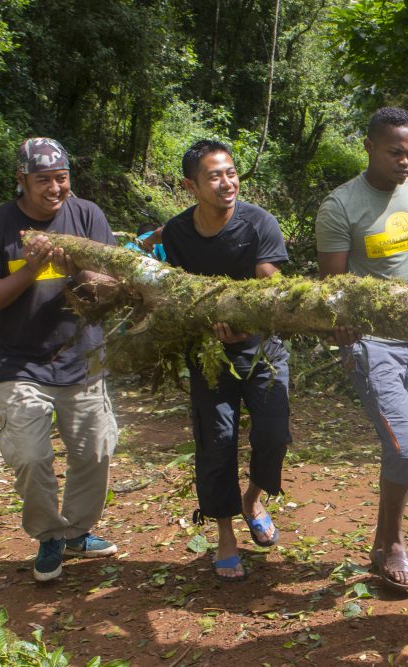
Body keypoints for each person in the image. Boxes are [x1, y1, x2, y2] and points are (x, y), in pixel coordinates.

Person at [315, 107, 408, 592]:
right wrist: (341, 326)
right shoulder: (341, 206)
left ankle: (382, 543)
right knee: (407, 449)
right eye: (396, 151)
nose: (405, 161)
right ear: (370, 147)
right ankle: (393, 544)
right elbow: (332, 284)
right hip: (372, 346)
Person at [0, 138, 120, 582]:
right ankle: (48, 536)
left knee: (95, 450)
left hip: (83, 358)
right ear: (21, 180)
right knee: (28, 455)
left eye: (61, 178)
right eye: (42, 180)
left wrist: (78, 268)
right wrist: (30, 268)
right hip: (20, 362)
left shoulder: (87, 216)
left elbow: (109, 290)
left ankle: (77, 532)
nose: (54, 188)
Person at [161, 139, 292, 582]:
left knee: (273, 435)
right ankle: (224, 536)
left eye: (231, 172)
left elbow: (270, 285)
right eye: (214, 175)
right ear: (191, 186)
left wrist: (244, 320)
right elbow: (177, 293)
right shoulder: (176, 233)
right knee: (216, 443)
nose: (227, 182)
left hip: (263, 351)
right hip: (209, 354)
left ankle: (253, 499)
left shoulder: (260, 224)